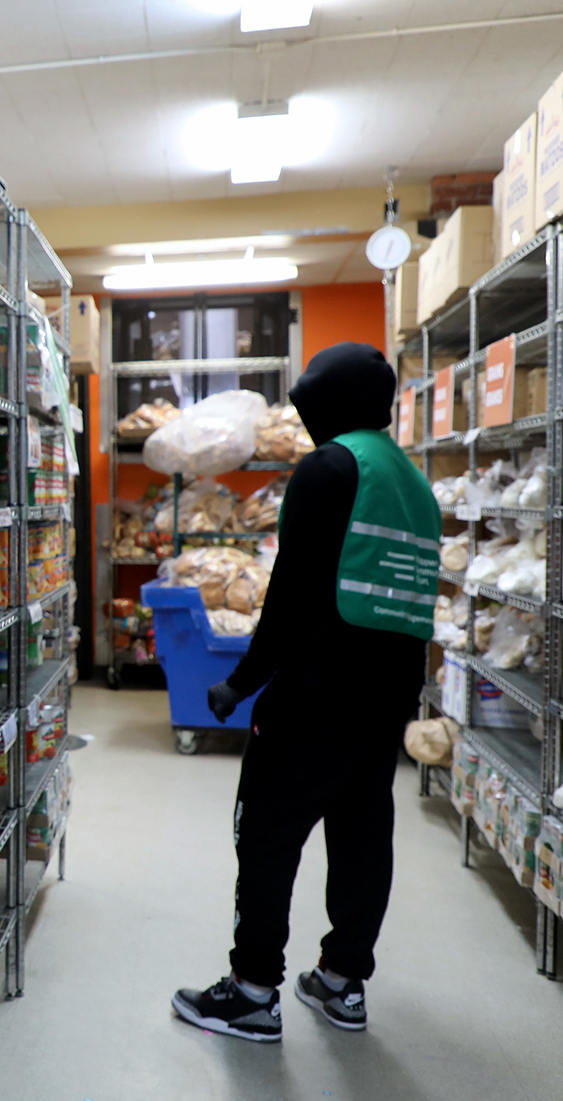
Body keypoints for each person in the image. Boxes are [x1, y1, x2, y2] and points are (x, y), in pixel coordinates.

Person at [170, 342, 440, 1043]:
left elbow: (292, 596)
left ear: (332, 399)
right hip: (387, 695)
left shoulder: (331, 467)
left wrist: (240, 681)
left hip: (318, 690)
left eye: (308, 397)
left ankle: (253, 989)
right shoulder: (411, 480)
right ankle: (342, 982)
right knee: (362, 836)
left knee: (265, 833)